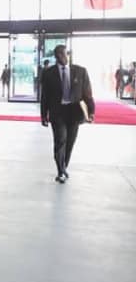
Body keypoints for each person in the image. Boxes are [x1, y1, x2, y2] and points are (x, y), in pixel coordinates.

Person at [40, 45, 94, 183]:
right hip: (57, 112)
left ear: (68, 54)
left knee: (70, 142)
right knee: (60, 140)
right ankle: (60, 171)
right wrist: (43, 115)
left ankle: (64, 167)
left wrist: (91, 112)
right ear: (55, 57)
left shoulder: (80, 71)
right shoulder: (48, 73)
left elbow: (87, 93)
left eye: (63, 54)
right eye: (58, 55)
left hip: (74, 112)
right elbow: (45, 96)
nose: (62, 57)